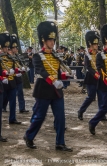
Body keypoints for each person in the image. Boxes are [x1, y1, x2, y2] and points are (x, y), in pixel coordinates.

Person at [24, 21, 73, 151]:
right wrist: (53, 80)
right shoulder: (37, 56)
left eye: (53, 39)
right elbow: (41, 71)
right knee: (40, 116)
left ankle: (60, 143)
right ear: (43, 40)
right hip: (43, 90)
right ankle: (29, 136)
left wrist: (65, 76)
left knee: (61, 117)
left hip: (56, 91)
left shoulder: (55, 56)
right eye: (50, 39)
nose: (52, 42)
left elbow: (56, 72)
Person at [78, 30, 107, 121]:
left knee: (101, 97)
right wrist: (96, 74)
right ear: (90, 44)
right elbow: (88, 67)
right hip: (91, 78)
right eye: (94, 44)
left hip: (99, 77)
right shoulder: (87, 55)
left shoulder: (100, 53)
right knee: (91, 97)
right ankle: (81, 111)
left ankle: (101, 115)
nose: (96, 45)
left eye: (96, 44)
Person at [0, 32, 20, 124]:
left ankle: (12, 118)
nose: (7, 49)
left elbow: (13, 67)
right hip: (2, 83)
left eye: (7, 47)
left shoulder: (10, 57)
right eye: (5, 47)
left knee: (13, 102)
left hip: (11, 82)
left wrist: (17, 72)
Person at [10, 34, 29, 113]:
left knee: (20, 92)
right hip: (11, 77)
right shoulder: (8, 57)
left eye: (16, 47)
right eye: (14, 48)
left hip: (18, 76)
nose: (16, 49)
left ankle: (22, 108)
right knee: (10, 94)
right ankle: (4, 106)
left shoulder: (18, 56)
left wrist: (23, 69)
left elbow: (21, 64)